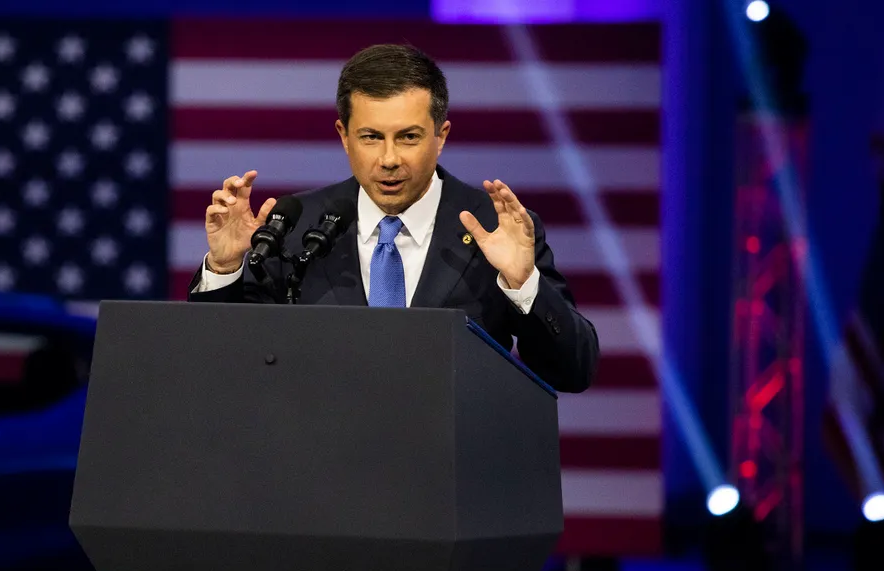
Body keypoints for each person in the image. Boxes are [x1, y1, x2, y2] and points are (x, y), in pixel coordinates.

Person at [187, 43, 599, 393]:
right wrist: (224, 268)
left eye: (408, 137)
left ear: (441, 136)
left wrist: (522, 285)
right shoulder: (293, 226)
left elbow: (573, 372)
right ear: (343, 136)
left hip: (453, 475)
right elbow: (217, 368)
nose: (389, 160)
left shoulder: (495, 228)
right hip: (320, 475)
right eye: (371, 137)